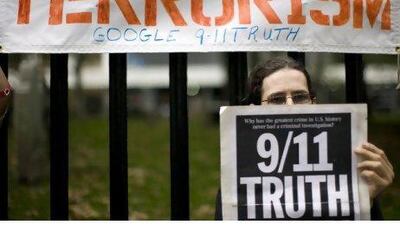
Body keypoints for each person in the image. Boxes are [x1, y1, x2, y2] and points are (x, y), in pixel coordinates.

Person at [215, 57, 394, 220]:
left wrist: (365, 204)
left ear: (313, 102)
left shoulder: (346, 165)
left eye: (300, 97)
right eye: (277, 99)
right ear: (254, 110)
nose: (291, 106)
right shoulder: (239, 176)